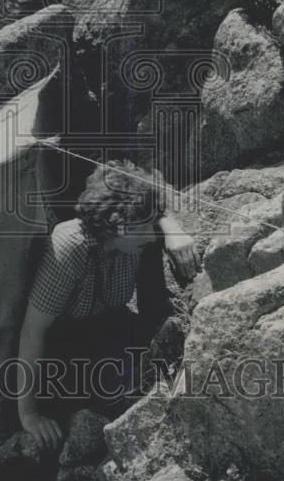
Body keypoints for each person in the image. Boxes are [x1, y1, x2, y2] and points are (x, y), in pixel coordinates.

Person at [17, 159, 200, 450]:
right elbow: (32, 332)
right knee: (116, 400)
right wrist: (27, 413)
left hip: (109, 328)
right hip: (64, 349)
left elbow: (153, 211)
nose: (153, 235)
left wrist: (172, 229)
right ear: (118, 226)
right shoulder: (70, 247)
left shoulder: (132, 236)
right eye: (145, 228)